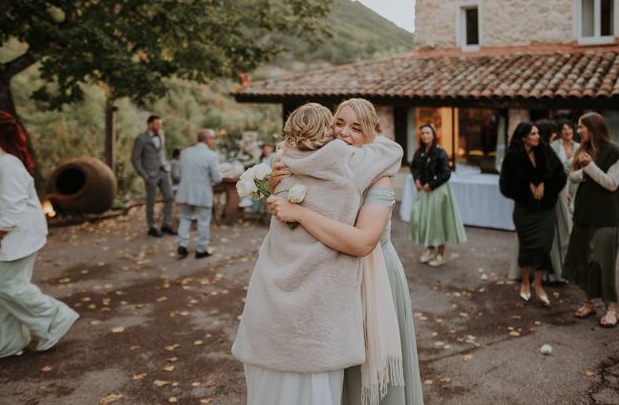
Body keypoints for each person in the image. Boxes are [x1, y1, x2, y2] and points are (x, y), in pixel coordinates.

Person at [232, 103, 403, 405]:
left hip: (375, 281)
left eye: (356, 127)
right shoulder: (324, 164)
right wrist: (271, 184)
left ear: (373, 133)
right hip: (328, 290)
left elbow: (364, 242)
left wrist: (297, 210)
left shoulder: (366, 169)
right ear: (327, 127)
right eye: (339, 123)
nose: (344, 133)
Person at [0, 110, 79, 358]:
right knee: (10, 287)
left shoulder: (6, 163)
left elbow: (13, 207)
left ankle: (55, 317)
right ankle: (11, 339)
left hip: (18, 234)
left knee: (6, 286)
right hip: (11, 233)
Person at [499, 122, 566, 307]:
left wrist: (544, 183)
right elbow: (505, 185)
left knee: (544, 246)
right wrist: (526, 186)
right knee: (527, 247)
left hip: (545, 209)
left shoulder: (546, 151)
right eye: (533, 134)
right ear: (523, 137)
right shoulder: (512, 157)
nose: (537, 136)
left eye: (537, 133)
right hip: (525, 210)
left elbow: (561, 176)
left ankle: (538, 284)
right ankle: (526, 283)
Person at [563, 112, 619, 327]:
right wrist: (583, 168)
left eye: (580, 127)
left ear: (593, 128)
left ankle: (611, 308)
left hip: (606, 216)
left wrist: (589, 167)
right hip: (583, 213)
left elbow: (612, 183)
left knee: (603, 262)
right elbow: (573, 176)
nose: (578, 131)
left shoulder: (615, 152)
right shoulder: (584, 150)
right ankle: (588, 303)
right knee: (584, 260)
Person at [409, 124, 466, 267]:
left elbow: (446, 174)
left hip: (438, 192)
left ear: (433, 135)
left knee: (438, 223)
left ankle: (440, 254)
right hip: (424, 192)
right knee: (425, 221)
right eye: (422, 133)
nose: (424, 135)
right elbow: (413, 167)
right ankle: (430, 250)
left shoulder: (440, 152)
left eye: (427, 133)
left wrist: (431, 184)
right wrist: (416, 179)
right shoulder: (419, 152)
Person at [175, 129, 222, 259]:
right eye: (212, 138)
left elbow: (179, 173)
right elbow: (217, 178)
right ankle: (201, 249)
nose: (213, 141)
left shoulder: (185, 152)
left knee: (185, 217)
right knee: (203, 220)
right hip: (202, 192)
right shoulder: (211, 155)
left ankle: (182, 245)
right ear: (207, 139)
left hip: (185, 190)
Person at [131, 115, 175, 237]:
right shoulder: (141, 139)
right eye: (157, 124)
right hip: (150, 175)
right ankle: (152, 227)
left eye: (160, 124)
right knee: (151, 201)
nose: (159, 126)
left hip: (164, 171)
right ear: (149, 124)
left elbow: (162, 152)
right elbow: (135, 159)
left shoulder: (161, 134)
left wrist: (167, 166)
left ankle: (166, 224)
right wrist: (143, 174)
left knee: (169, 197)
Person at [552, 119, 580, 212]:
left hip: (576, 184)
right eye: (564, 129)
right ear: (560, 132)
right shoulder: (554, 146)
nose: (567, 131)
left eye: (569, 128)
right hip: (560, 184)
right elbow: (553, 169)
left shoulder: (579, 147)